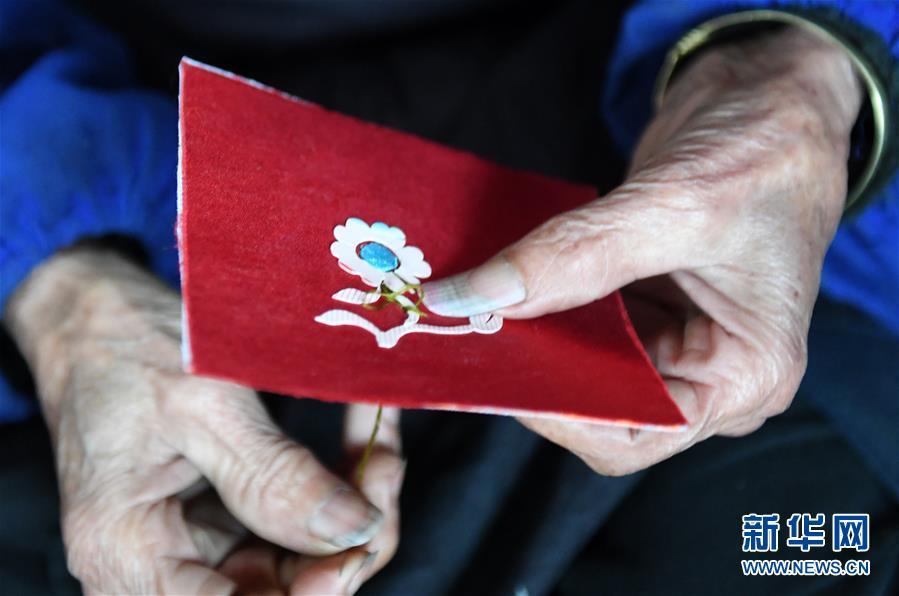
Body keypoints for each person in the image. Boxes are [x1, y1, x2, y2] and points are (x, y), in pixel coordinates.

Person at [1, 0, 897, 594]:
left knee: (811, 543)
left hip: (731, 250)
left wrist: (796, 75)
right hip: (113, 171)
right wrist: (70, 293)